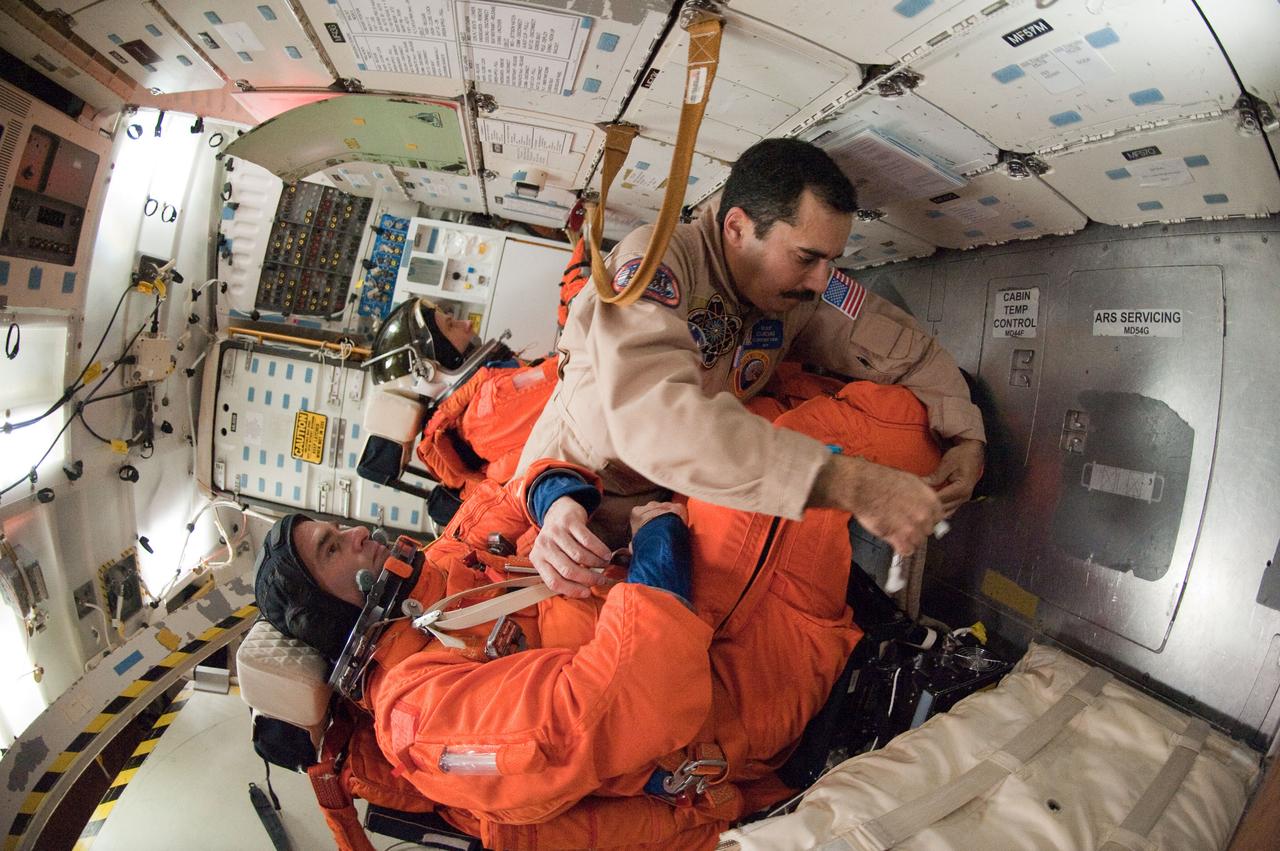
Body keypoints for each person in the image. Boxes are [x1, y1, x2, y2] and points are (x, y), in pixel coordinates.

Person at [253, 381, 944, 850]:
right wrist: (657, 543)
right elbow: (628, 700)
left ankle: (923, 445)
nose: (355, 534)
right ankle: (955, 454)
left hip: (694, 619)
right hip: (730, 691)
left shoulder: (437, 575)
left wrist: (556, 505)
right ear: (328, 609)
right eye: (333, 548)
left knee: (740, 411)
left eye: (336, 528)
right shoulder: (420, 717)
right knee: (788, 441)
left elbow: (509, 494)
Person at [515, 138, 986, 597]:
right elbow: (654, 420)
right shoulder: (656, 262)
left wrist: (967, 438)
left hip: (674, 509)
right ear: (737, 227)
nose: (821, 280)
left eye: (831, 261)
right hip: (567, 500)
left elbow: (904, 348)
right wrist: (852, 484)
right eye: (807, 257)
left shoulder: (798, 291)